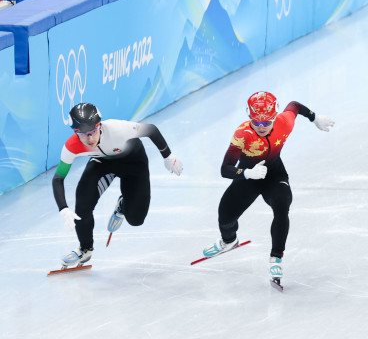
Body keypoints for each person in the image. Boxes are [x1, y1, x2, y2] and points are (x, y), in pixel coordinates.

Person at [202, 92, 334, 284]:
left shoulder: (284, 122)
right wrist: (246, 173)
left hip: (274, 174)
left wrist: (314, 118)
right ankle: (229, 241)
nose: (261, 127)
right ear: (249, 118)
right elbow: (225, 169)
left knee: (282, 205)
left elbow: (295, 105)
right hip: (249, 176)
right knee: (225, 216)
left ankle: (276, 257)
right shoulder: (242, 134)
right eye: (256, 122)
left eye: (266, 123)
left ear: (274, 117)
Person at [52, 103, 183, 269]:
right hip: (102, 164)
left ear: (99, 126)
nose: (90, 139)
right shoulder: (71, 146)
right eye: (83, 135)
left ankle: (123, 204)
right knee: (82, 204)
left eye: (92, 132)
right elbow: (58, 179)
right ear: (75, 133)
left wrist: (168, 155)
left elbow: (151, 129)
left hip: (133, 163)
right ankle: (85, 248)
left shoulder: (118, 129)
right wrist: (63, 208)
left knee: (136, 220)